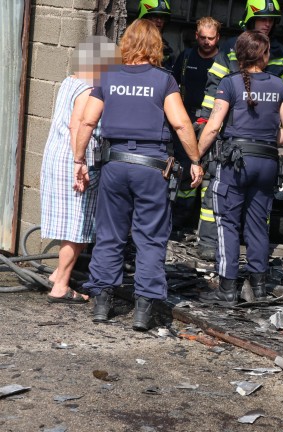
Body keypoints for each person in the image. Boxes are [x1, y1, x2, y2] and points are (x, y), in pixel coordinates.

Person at [73, 19, 203, 330]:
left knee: (109, 234)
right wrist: (196, 160)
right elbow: (182, 124)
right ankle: (144, 310)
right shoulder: (164, 80)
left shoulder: (108, 77)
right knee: (150, 237)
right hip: (151, 168)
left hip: (115, 164)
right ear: (156, 46)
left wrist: (78, 159)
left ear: (127, 44)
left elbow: (88, 122)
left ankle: (102, 305)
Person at [196, 30, 283, 306]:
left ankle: (227, 289)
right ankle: (259, 287)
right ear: (263, 56)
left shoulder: (230, 83)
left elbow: (214, 125)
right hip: (266, 162)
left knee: (228, 223)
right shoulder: (278, 85)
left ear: (238, 56)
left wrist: (196, 156)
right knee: (257, 225)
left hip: (236, 161)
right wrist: (265, 142)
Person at [40, 36, 119, 304]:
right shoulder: (88, 88)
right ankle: (61, 286)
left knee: (70, 223)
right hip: (74, 160)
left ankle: (58, 275)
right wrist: (81, 163)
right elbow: (78, 126)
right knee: (77, 226)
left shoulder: (69, 81)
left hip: (56, 155)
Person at [170, 17, 221, 230]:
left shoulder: (224, 62)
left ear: (218, 37)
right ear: (196, 36)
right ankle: (181, 220)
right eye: (203, 38)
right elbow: (172, 86)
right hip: (187, 119)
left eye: (211, 38)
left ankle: (202, 224)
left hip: (213, 122)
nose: (207, 42)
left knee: (209, 173)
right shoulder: (186, 57)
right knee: (185, 171)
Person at [138, 0, 174, 70]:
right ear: (143, 19)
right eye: (155, 16)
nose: (159, 21)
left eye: (162, 18)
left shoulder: (167, 50)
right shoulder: (129, 44)